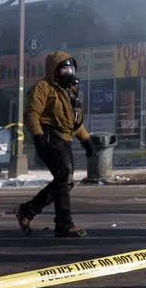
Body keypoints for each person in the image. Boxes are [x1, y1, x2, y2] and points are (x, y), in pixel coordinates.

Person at [15, 52, 93, 237]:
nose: (69, 72)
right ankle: (30, 211)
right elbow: (32, 114)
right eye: (64, 68)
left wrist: (86, 140)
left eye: (71, 68)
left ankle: (62, 224)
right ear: (54, 70)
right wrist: (38, 137)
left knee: (63, 181)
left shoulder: (69, 91)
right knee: (64, 178)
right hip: (51, 138)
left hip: (65, 139)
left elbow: (73, 121)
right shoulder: (43, 87)